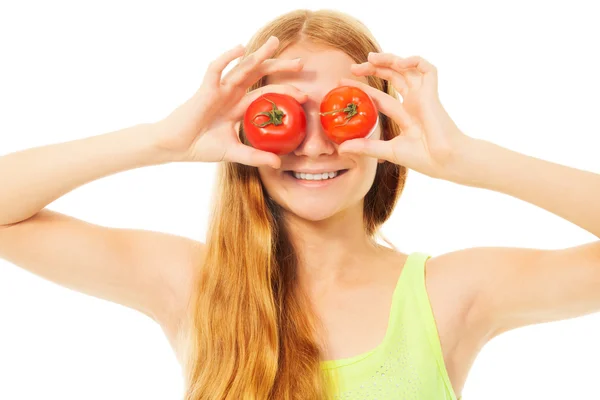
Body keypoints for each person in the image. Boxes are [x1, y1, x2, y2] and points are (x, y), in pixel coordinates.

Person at [1, 8, 599, 400]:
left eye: (344, 111)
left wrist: (468, 158)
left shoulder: (450, 293)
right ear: (241, 128)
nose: (313, 144)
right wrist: (162, 140)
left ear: (386, 128)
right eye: (280, 116)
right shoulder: (194, 283)